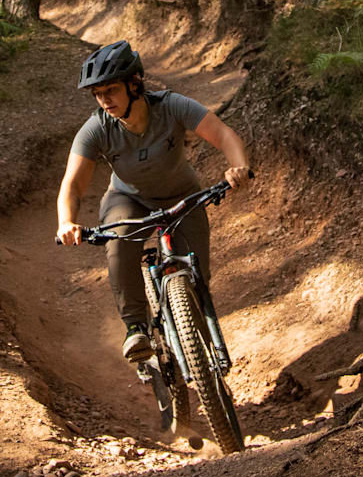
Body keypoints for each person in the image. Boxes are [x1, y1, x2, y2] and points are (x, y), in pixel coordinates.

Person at [55, 40, 251, 362]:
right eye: (98, 94)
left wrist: (238, 166)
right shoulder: (96, 129)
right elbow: (73, 185)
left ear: (134, 84)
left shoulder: (171, 106)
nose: (105, 100)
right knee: (118, 243)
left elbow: (224, 135)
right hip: (127, 199)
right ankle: (136, 328)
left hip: (182, 194)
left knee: (198, 276)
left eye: (112, 90)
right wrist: (66, 221)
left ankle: (204, 356)